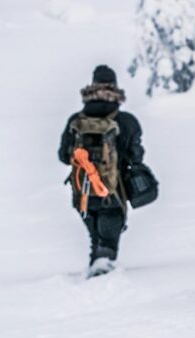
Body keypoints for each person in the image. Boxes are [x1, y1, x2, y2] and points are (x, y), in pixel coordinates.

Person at [57, 65, 145, 277]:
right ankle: (102, 278)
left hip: (82, 194)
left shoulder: (76, 120)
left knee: (95, 238)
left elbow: (63, 156)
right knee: (108, 241)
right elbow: (136, 156)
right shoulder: (126, 121)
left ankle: (94, 274)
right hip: (114, 191)